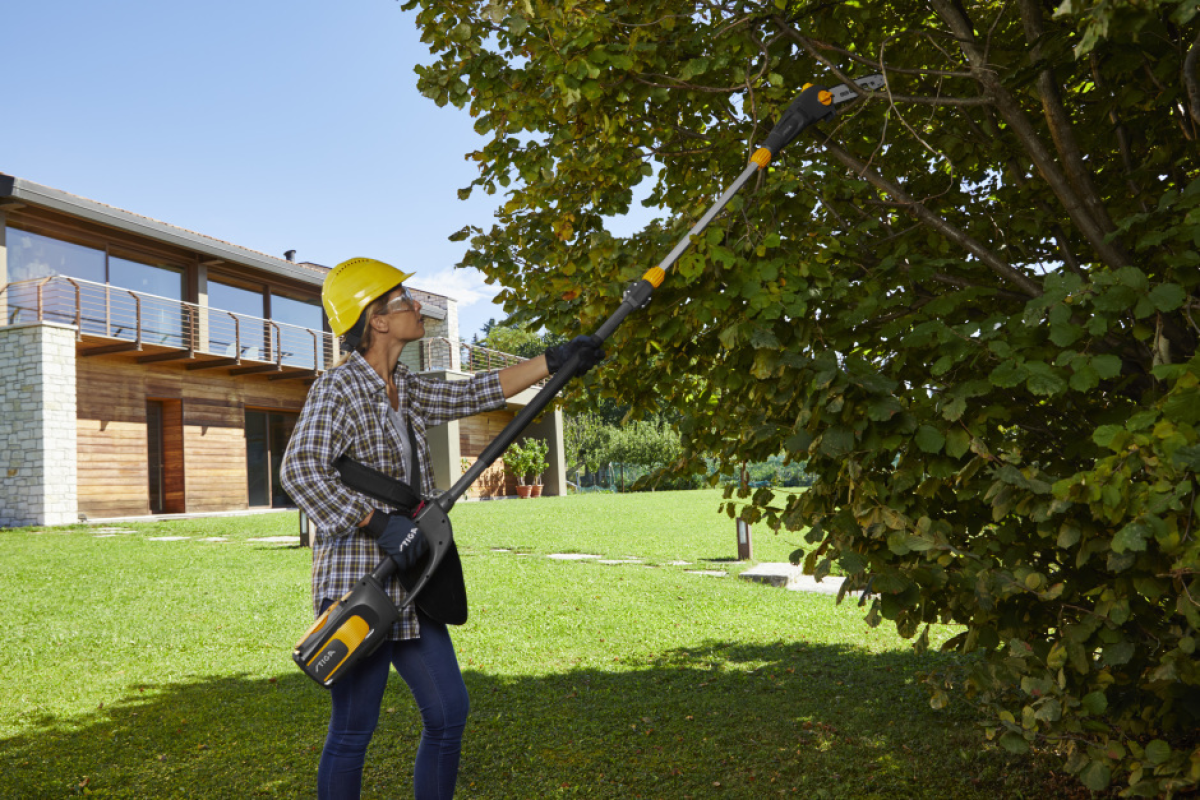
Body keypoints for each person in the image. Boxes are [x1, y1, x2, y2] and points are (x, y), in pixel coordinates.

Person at [280, 257, 603, 800]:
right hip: (363, 586)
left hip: (412, 584)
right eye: (403, 299)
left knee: (449, 712)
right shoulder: (337, 389)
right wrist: (375, 521)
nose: (417, 305)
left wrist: (554, 360)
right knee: (353, 731)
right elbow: (299, 469)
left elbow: (474, 392)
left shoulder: (404, 386)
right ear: (375, 320)